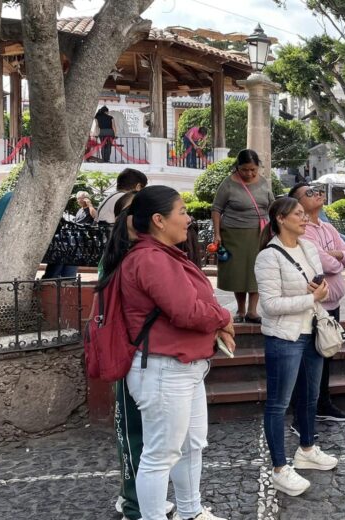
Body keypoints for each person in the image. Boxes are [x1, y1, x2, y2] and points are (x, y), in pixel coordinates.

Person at [109, 186, 233, 520]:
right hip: (163, 369)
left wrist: (215, 318)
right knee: (160, 455)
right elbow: (185, 310)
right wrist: (223, 318)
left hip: (184, 366)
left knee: (191, 447)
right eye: (182, 212)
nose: (189, 219)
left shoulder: (165, 255)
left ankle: (190, 513)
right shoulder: (150, 258)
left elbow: (196, 301)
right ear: (159, 220)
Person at [255, 196, 338, 497]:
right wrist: (311, 298)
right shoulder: (268, 256)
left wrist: (321, 291)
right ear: (280, 218)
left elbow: (319, 284)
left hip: (311, 331)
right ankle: (279, 468)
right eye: (298, 214)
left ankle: (307, 448)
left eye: (305, 214)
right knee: (279, 403)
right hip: (284, 337)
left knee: (309, 396)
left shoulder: (308, 247)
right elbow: (270, 305)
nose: (305, 219)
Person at [289, 181, 345, 423]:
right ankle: (305, 410)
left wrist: (336, 257)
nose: (316, 194)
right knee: (311, 360)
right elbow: (324, 263)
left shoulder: (327, 227)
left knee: (327, 354)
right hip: (314, 305)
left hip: (333, 303)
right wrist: (337, 259)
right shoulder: (303, 229)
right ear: (297, 203)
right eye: (309, 193)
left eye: (316, 191)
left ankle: (322, 402)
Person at [212, 149, 275, 323]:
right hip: (233, 233)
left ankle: (252, 311)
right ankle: (240, 311)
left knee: (257, 271)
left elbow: (272, 205)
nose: (249, 173)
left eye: (253, 170)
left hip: (259, 233)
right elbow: (216, 209)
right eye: (245, 169)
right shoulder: (228, 183)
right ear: (237, 167)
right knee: (239, 272)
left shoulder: (263, 182)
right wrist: (217, 234)